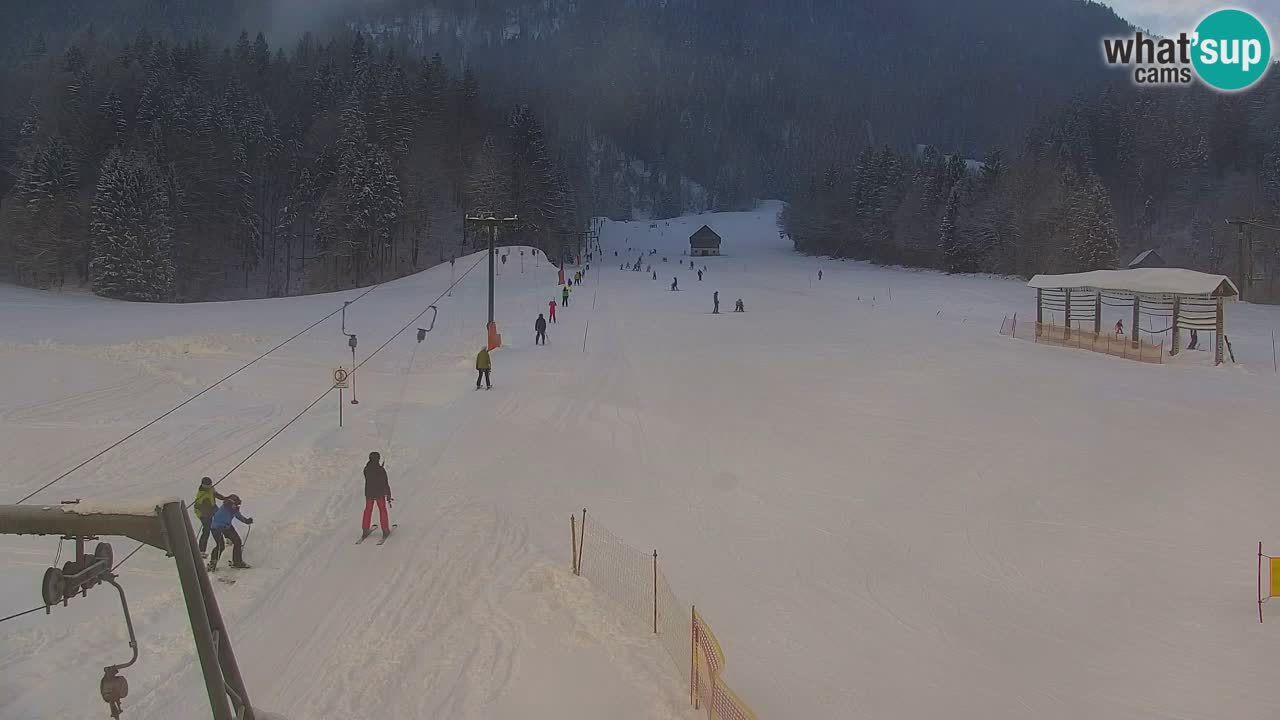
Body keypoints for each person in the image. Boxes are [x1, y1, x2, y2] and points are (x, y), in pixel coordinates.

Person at [208, 494, 252, 570]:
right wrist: (222, 529)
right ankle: (212, 563)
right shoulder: (223, 510)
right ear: (231, 503)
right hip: (216, 528)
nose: (237, 506)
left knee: (237, 541)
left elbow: (238, 516)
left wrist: (246, 521)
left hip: (227, 527)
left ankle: (237, 562)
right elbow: (217, 521)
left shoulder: (233, 509)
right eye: (236, 505)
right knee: (220, 546)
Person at [361, 452, 392, 541]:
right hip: (379, 494)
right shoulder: (381, 470)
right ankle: (385, 530)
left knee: (368, 510)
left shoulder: (366, 469)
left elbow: (371, 475)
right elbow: (385, 483)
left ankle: (365, 529)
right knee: (382, 510)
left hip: (369, 493)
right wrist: (388, 495)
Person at [192, 477, 226, 556]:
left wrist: (224, 498)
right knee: (207, 530)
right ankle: (201, 551)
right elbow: (200, 508)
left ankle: (228, 538)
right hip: (203, 514)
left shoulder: (211, 488)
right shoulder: (201, 495)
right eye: (208, 485)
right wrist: (210, 515)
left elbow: (215, 494)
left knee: (222, 520)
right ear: (203, 485)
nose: (210, 486)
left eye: (210, 485)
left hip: (212, 508)